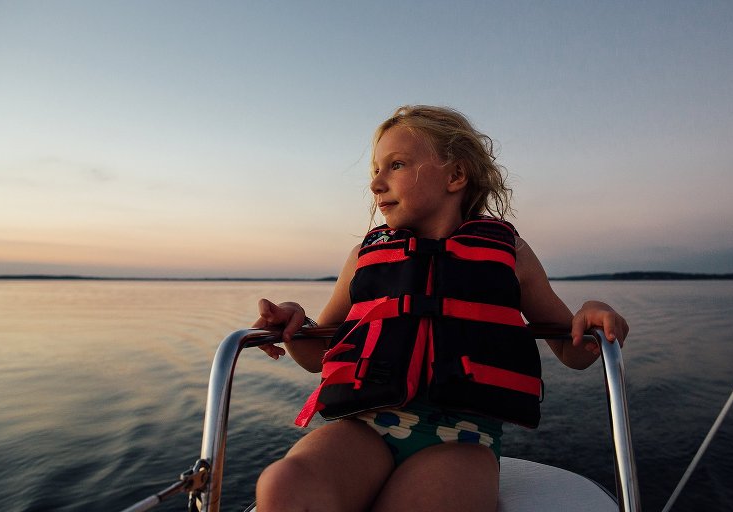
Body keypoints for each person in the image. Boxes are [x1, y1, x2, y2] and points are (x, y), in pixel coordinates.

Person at [251, 105, 629, 512]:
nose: (376, 183)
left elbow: (570, 352)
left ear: (455, 176)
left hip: (461, 444)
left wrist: (593, 323)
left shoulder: (510, 254)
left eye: (395, 165)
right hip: (362, 430)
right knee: (283, 484)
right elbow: (318, 356)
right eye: (374, 171)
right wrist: (295, 324)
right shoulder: (364, 256)